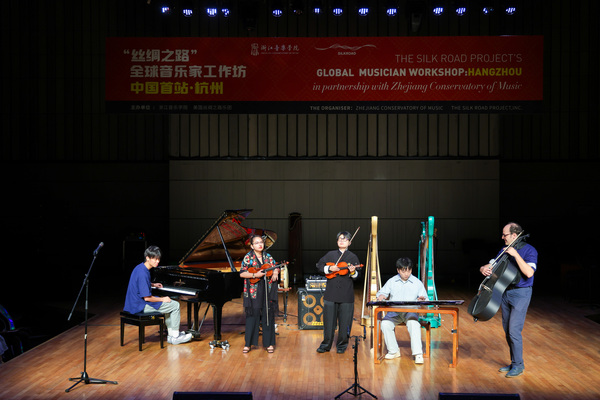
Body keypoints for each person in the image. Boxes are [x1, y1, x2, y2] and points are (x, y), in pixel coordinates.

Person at [479, 222, 538, 378]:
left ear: (514, 235)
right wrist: (483, 268)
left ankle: (518, 365)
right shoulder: (504, 250)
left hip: (521, 293)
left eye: (505, 235)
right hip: (505, 292)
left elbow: (529, 273)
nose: (502, 237)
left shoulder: (530, 250)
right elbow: (492, 264)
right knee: (507, 331)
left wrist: (516, 255)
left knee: (514, 330)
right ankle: (514, 362)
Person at [124, 246, 192, 345]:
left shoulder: (140, 267)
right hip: (140, 306)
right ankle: (175, 337)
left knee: (169, 306)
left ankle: (172, 335)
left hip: (133, 303)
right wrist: (163, 299)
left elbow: (141, 283)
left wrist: (152, 284)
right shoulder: (143, 273)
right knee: (175, 305)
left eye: (158, 259)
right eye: (155, 259)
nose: (158, 261)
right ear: (147, 258)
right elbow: (147, 298)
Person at [376, 257, 428, 364]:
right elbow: (382, 293)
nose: (406, 274)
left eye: (409, 270)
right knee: (385, 324)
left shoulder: (417, 282)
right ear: (398, 270)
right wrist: (381, 296)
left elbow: (426, 300)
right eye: (403, 271)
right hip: (394, 312)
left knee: (414, 324)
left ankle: (418, 354)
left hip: (410, 312)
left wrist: (422, 300)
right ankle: (394, 351)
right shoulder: (392, 281)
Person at [315, 231, 360, 354]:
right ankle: (326, 345)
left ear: (349, 243)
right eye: (340, 239)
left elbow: (357, 276)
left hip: (346, 294)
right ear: (337, 241)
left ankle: (342, 345)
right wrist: (329, 268)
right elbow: (319, 265)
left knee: (345, 322)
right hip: (331, 293)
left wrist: (352, 271)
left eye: (345, 239)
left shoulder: (353, 257)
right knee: (328, 322)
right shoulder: (330, 254)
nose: (342, 241)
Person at [239, 234, 280, 353]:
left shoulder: (268, 256)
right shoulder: (248, 257)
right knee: (253, 315)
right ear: (252, 246)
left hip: (267, 288)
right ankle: (248, 343)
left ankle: (269, 343)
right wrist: (255, 275)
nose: (260, 244)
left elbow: (275, 266)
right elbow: (242, 273)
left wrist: (276, 272)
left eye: (261, 242)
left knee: (268, 315)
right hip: (254, 290)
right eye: (256, 243)